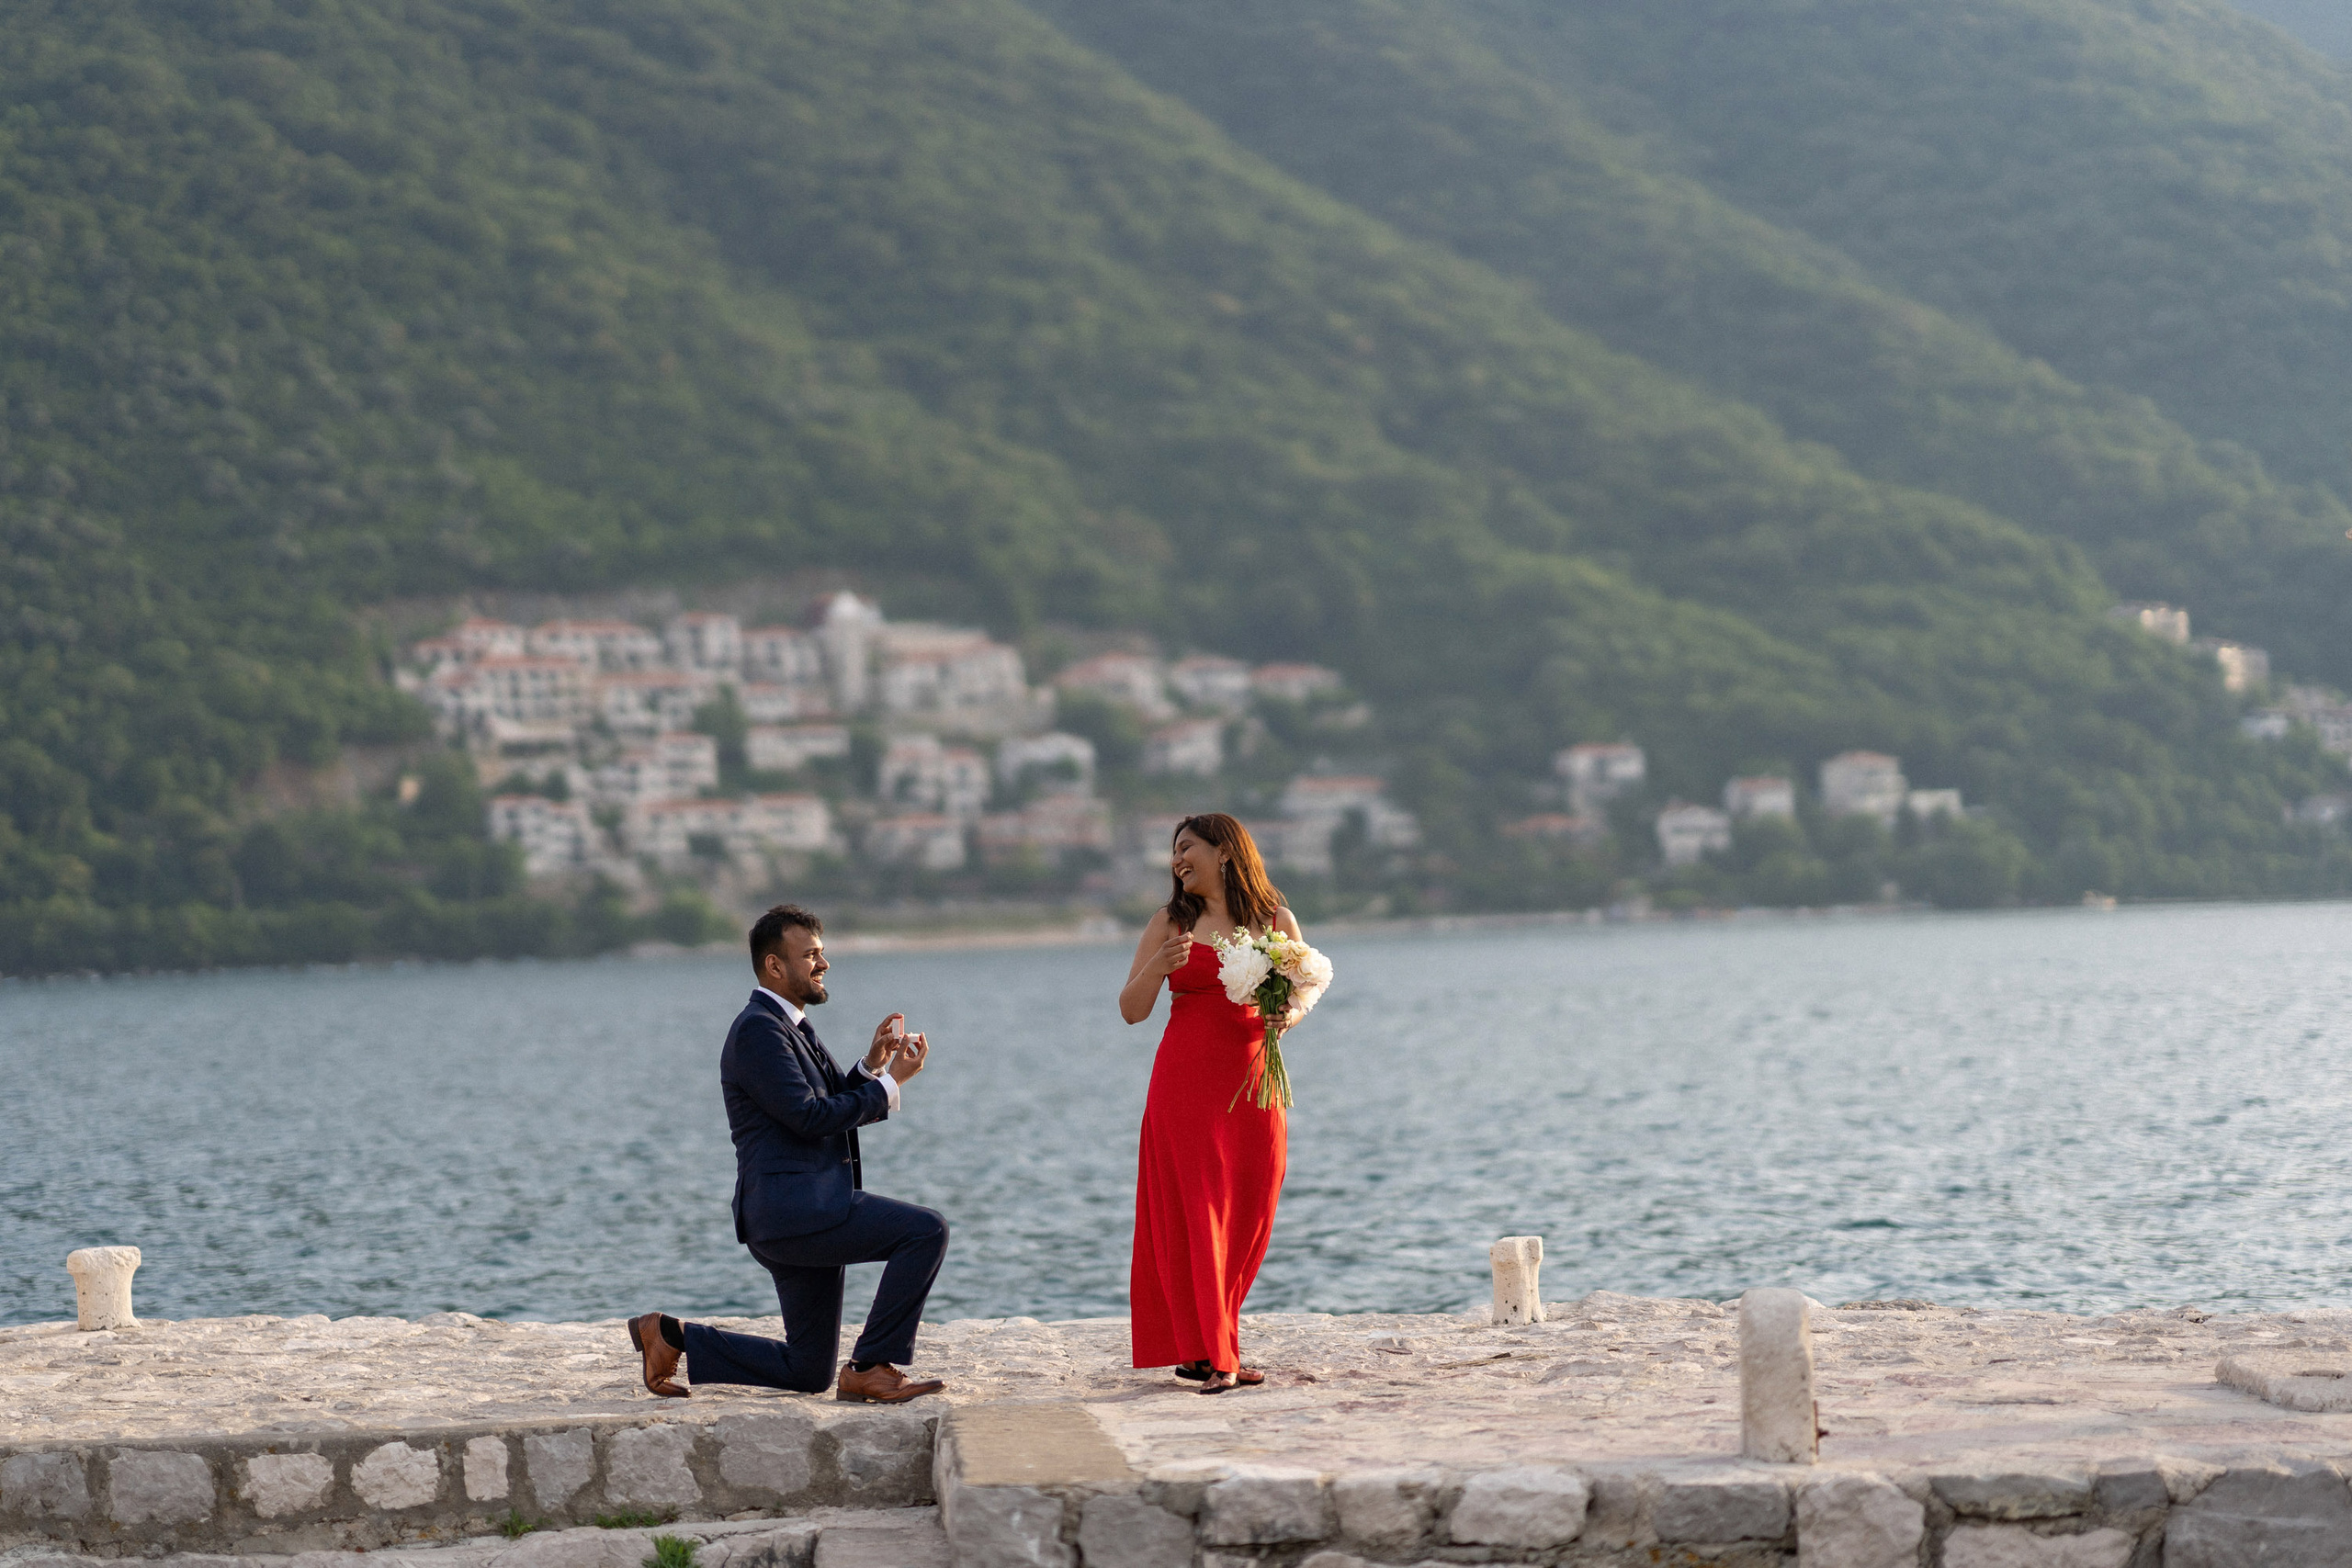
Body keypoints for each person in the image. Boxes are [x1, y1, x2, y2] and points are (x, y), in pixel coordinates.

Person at [628, 904, 949, 1404]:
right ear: (775, 966)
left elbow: (816, 1106)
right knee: (925, 1230)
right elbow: (810, 1118)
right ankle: (870, 1367)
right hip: (796, 1214)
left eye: (823, 953)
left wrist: (870, 1067)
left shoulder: (786, 1024)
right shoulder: (759, 1030)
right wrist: (891, 1084)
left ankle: (671, 1336)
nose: (823, 964)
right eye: (812, 955)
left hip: (796, 1212)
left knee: (807, 1370)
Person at [1118, 813, 1304, 1393]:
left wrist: (1288, 1015)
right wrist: (1157, 966)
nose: (1177, 860)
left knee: (1251, 1210)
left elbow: (1301, 995)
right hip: (1186, 1086)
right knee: (1200, 1212)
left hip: (1254, 1086)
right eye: (1174, 851)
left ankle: (1202, 1349)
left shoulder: (1275, 920)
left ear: (1224, 852)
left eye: (1187, 848)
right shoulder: (1170, 922)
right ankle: (1219, 1354)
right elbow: (1131, 1009)